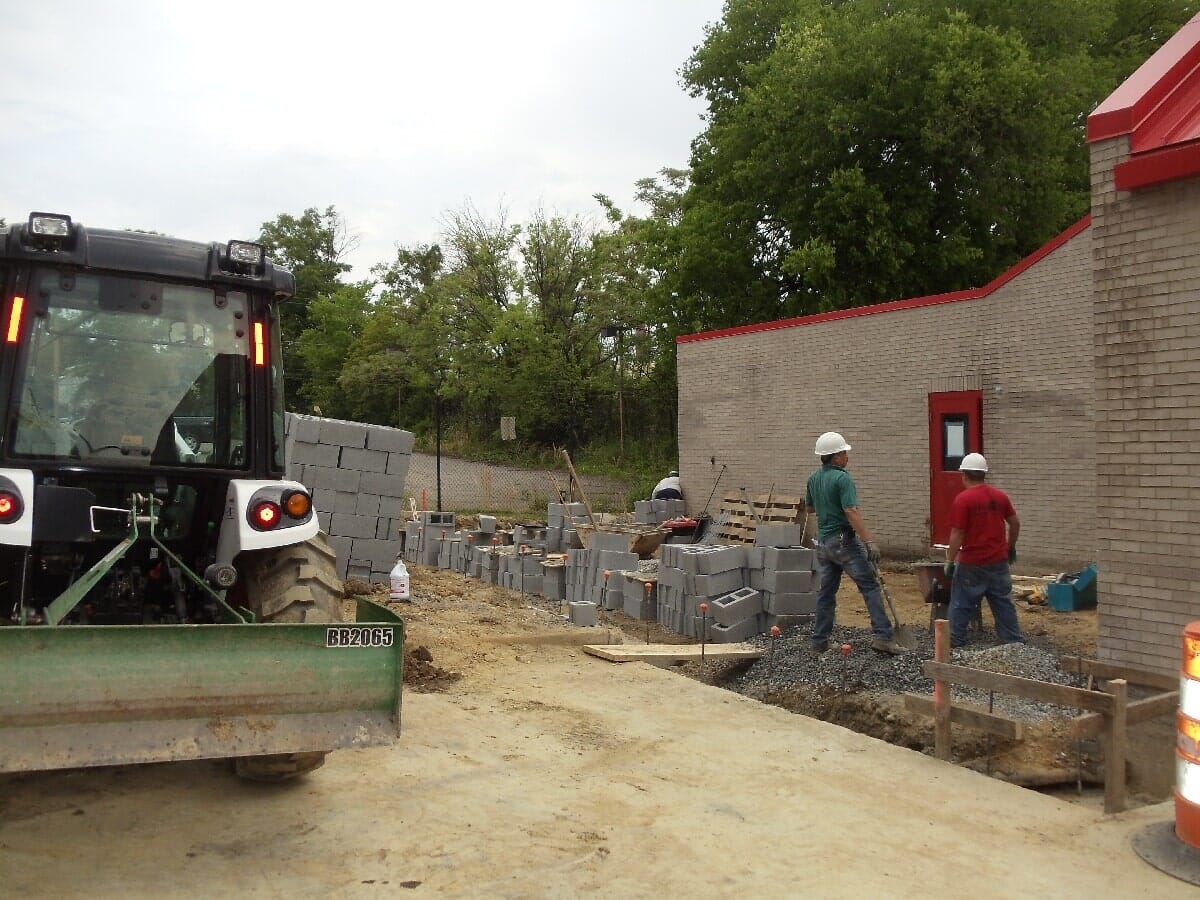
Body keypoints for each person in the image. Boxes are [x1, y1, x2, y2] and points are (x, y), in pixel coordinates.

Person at [805, 432, 905, 655]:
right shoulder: (843, 479)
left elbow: (810, 509)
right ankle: (883, 637)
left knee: (826, 593)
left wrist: (826, 504)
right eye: (843, 452)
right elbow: (851, 510)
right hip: (844, 542)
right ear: (834, 456)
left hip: (824, 545)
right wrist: (869, 541)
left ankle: (819, 641)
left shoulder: (813, 478)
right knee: (869, 586)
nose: (846, 456)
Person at [943, 453, 1024, 649]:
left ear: (964, 475)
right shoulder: (1000, 496)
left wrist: (950, 560)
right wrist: (1010, 546)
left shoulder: (964, 500)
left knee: (961, 602)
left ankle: (955, 641)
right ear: (983, 474)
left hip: (972, 563)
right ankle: (1013, 642)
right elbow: (1015, 523)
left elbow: (957, 533)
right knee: (1003, 603)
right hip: (999, 561)